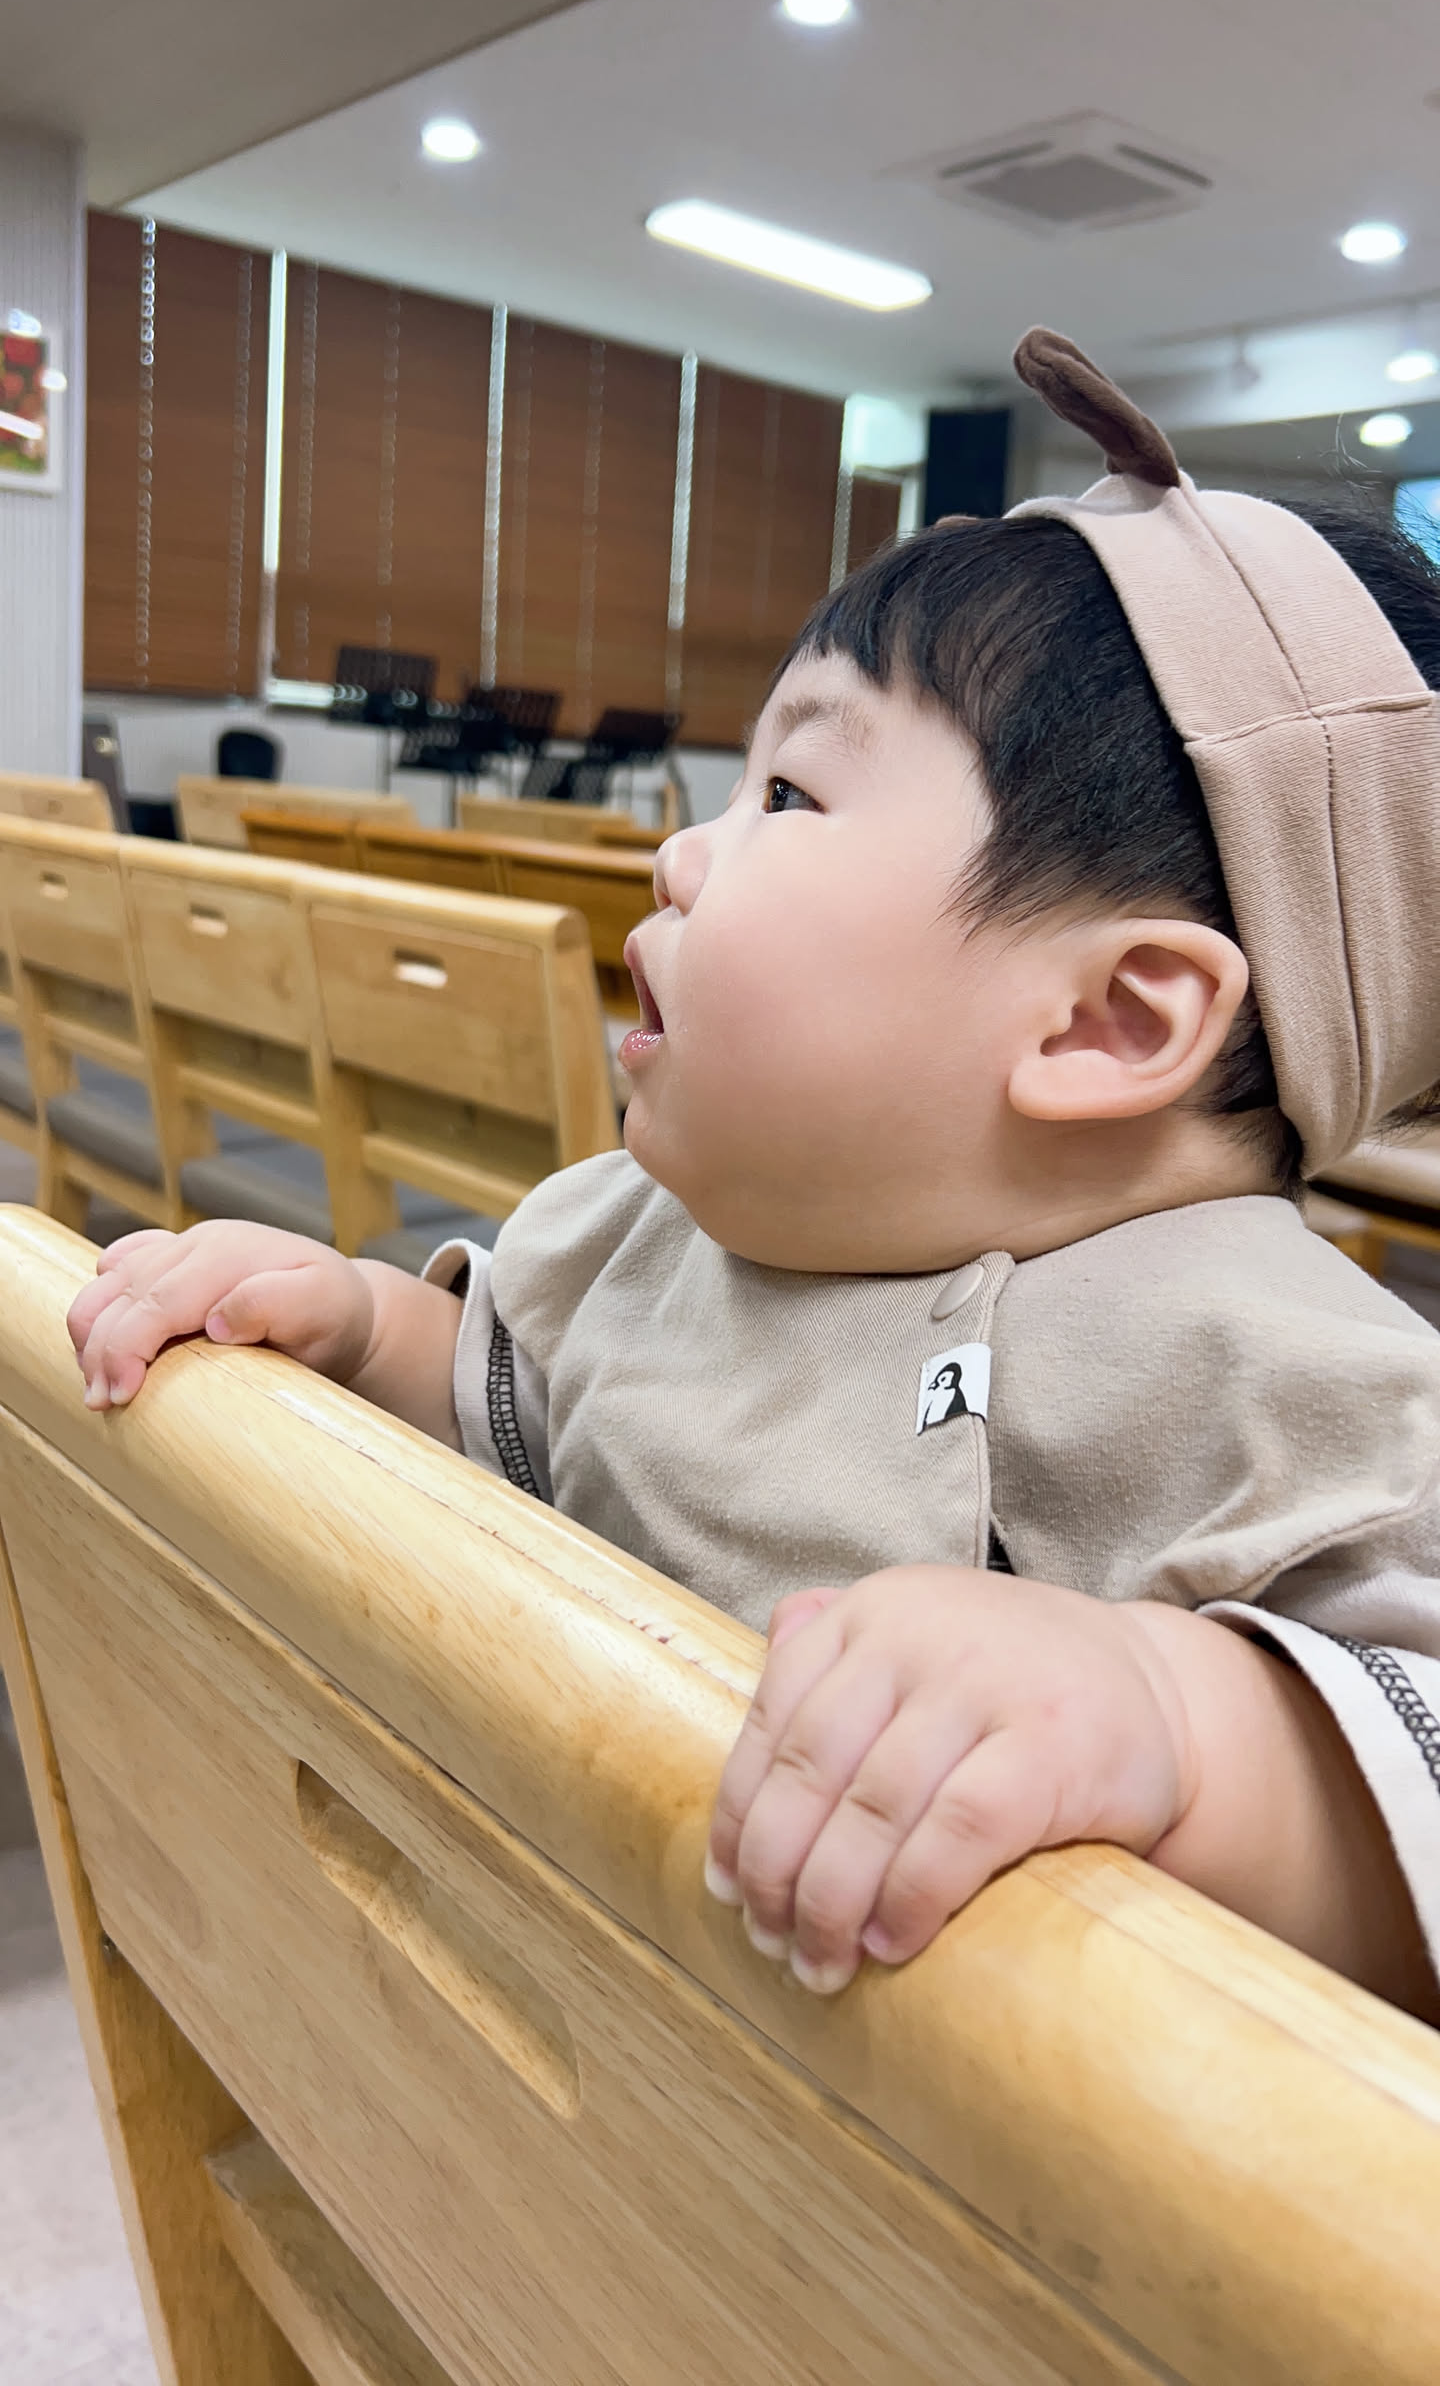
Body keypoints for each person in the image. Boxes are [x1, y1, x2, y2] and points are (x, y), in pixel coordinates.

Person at [68, 330, 1440, 2023]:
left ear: (1107, 1021)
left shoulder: (1270, 1364)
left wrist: (1182, 1720)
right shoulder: (651, 1234)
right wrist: (361, 1333)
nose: (680, 853)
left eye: (788, 790)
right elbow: (533, 1431)